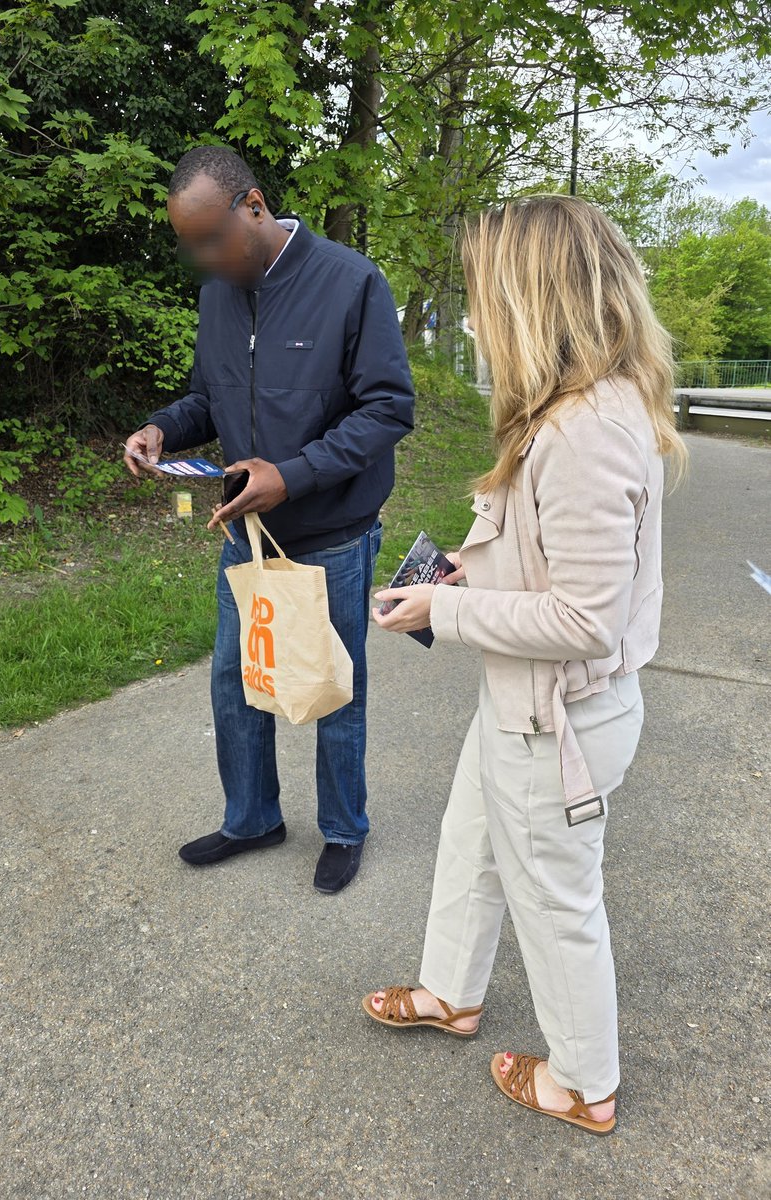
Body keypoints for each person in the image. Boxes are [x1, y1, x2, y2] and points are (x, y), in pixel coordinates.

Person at [362, 194, 688, 1133]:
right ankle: (449, 992)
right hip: (529, 704)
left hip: (559, 719)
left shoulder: (586, 429)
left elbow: (586, 618)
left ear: (534, 298)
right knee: (471, 847)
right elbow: (555, 555)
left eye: (482, 297)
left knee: (554, 900)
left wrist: (445, 607)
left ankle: (585, 1084)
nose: (472, 318)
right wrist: (473, 564)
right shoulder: (575, 410)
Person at [124, 145, 414, 894]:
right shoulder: (219, 295)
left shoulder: (351, 281)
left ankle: (345, 829)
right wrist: (162, 428)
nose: (202, 258)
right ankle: (252, 817)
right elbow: (208, 398)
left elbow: (388, 408)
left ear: (253, 206)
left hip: (336, 533)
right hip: (246, 535)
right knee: (235, 678)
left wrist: (295, 474)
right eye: (188, 245)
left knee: (333, 688)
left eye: (211, 237)